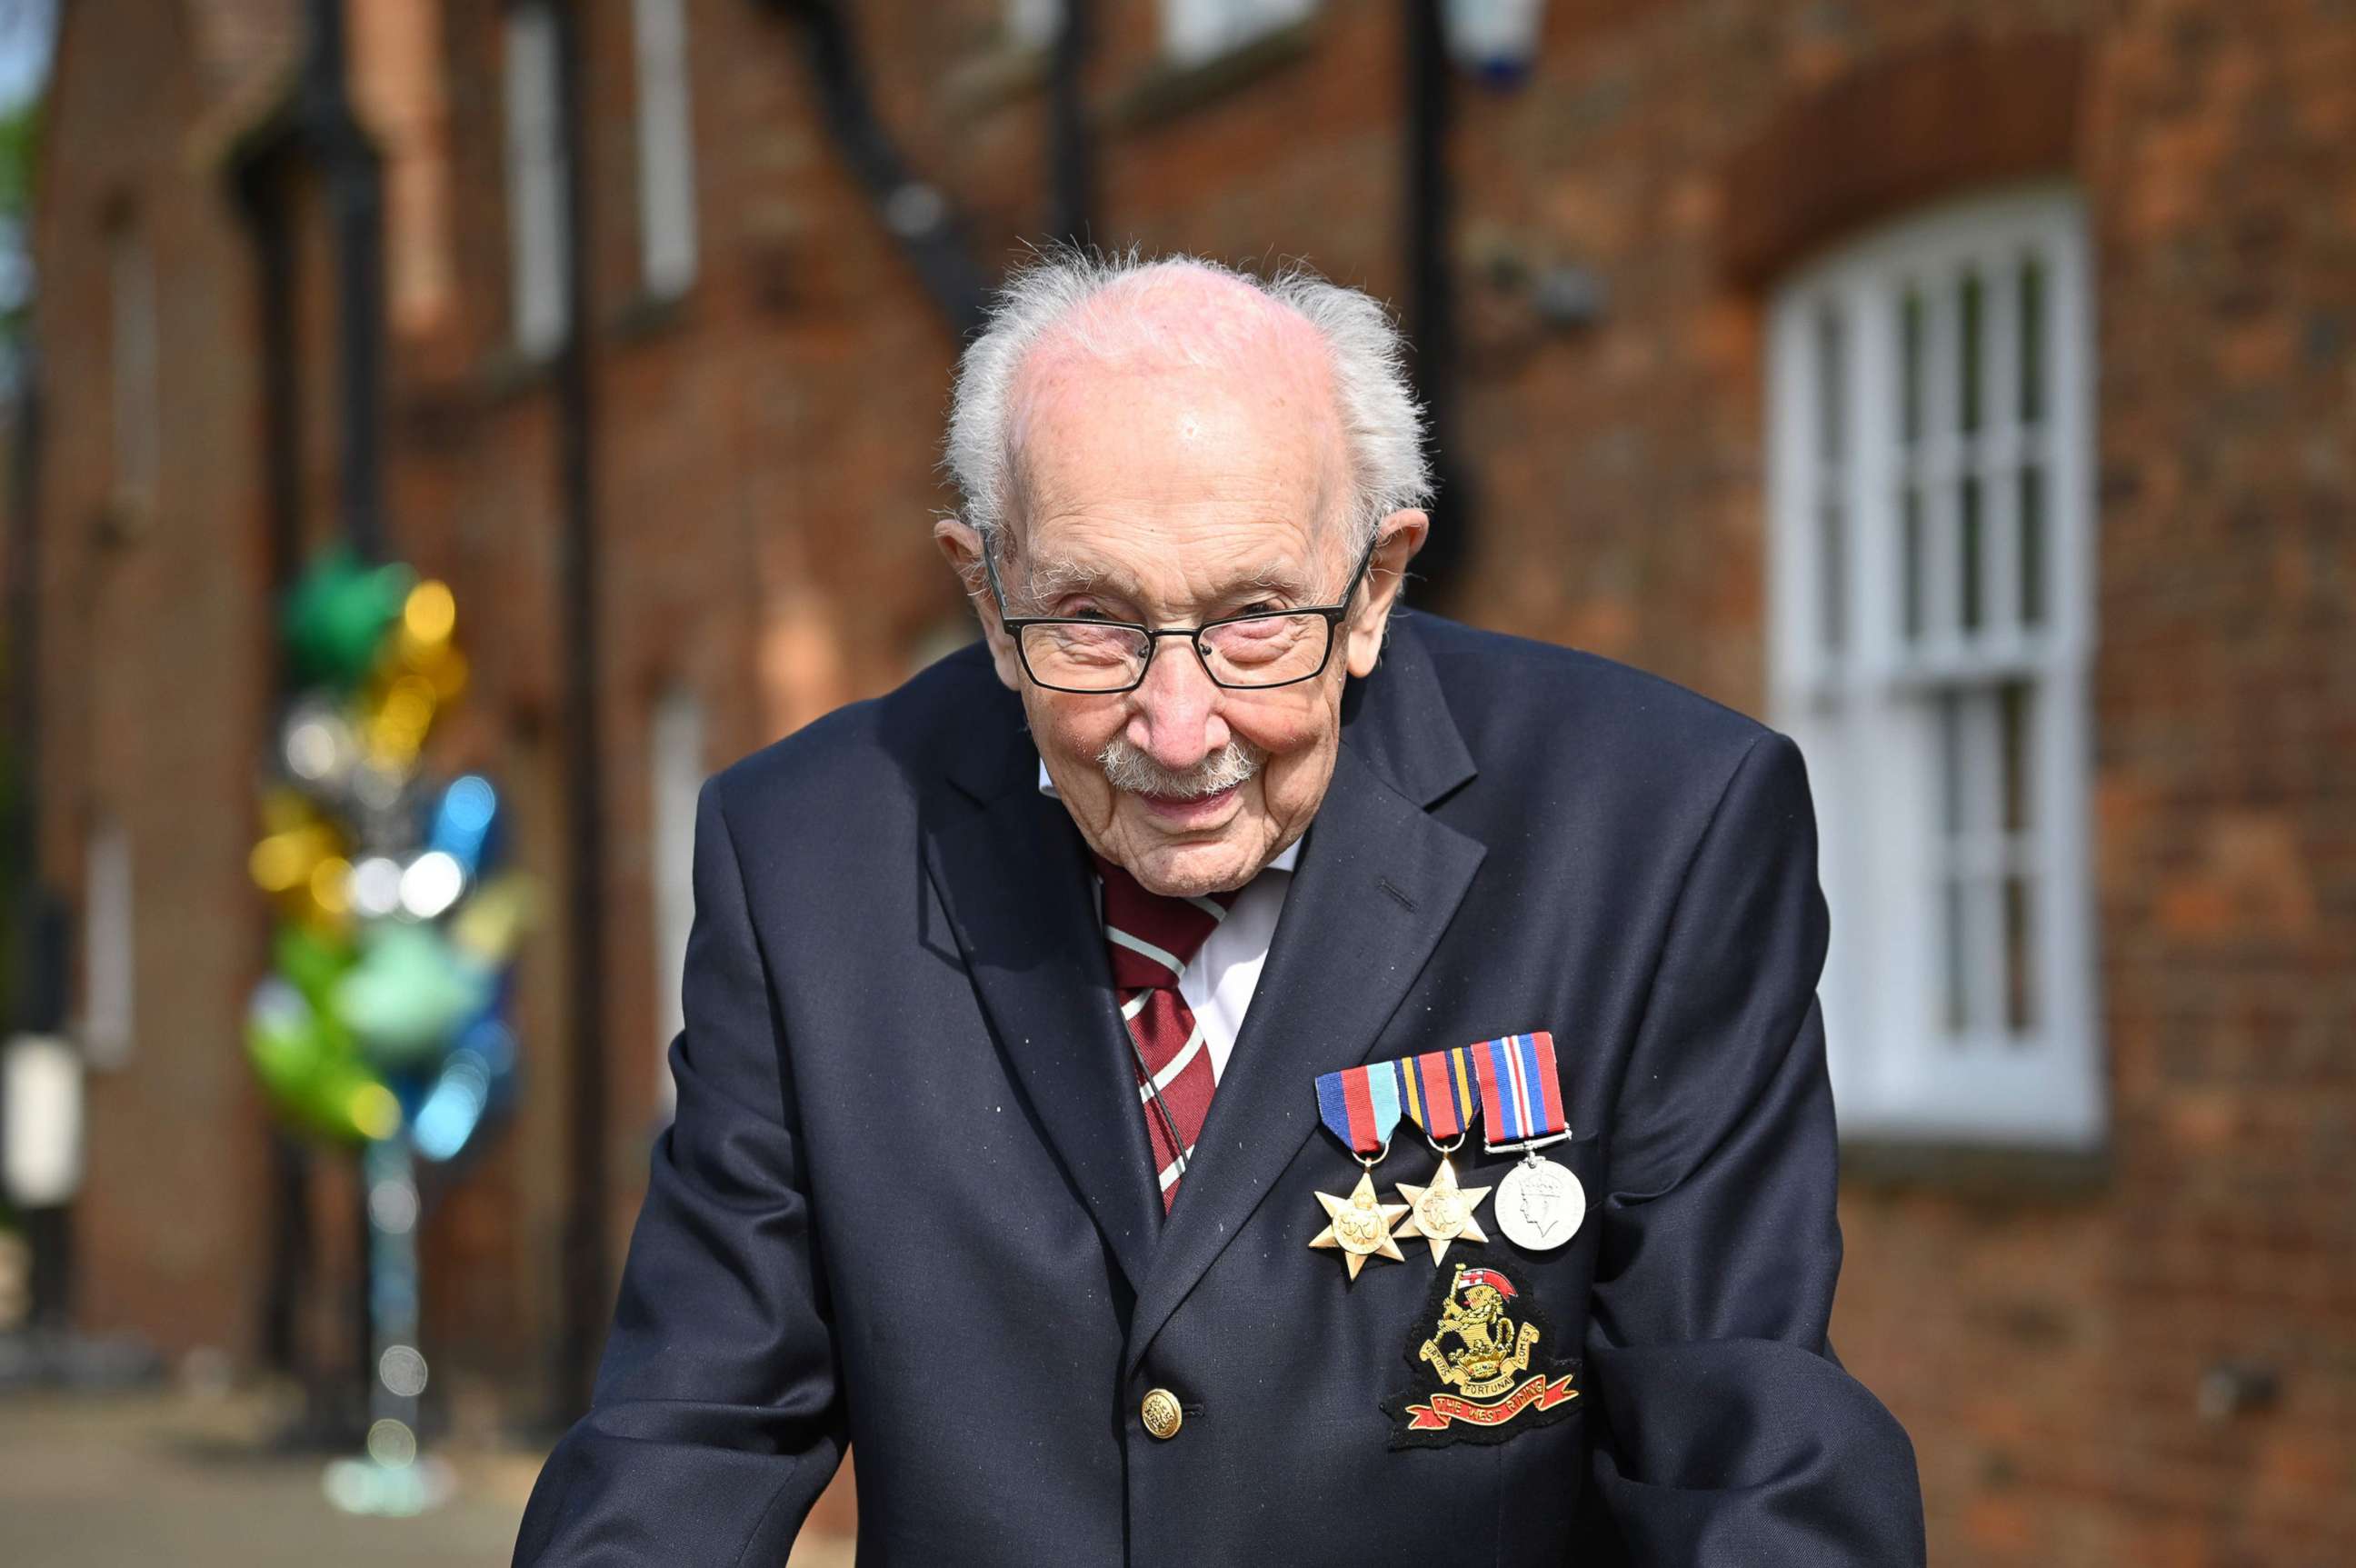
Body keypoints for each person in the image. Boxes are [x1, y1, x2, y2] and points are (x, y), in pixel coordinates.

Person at [513, 250, 1924, 1566]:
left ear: (1375, 583)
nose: (1179, 727)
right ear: (987, 598)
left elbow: (1741, 1420)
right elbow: (691, 1431)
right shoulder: (810, 857)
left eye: (1258, 617)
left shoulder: (1655, 830)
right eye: (1093, 622)